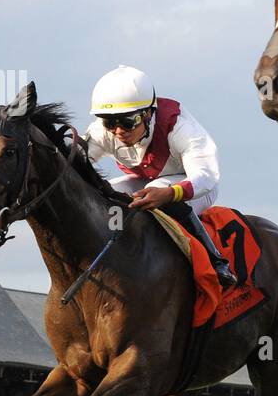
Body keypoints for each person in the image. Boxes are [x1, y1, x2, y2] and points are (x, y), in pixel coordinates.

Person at [83, 65, 237, 286]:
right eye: (109, 122)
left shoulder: (180, 128)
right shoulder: (102, 131)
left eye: (127, 122)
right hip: (148, 180)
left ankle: (217, 263)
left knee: (159, 201)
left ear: (147, 114)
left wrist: (170, 193)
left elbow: (207, 176)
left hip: (192, 183)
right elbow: (73, 157)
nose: (118, 131)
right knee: (106, 192)